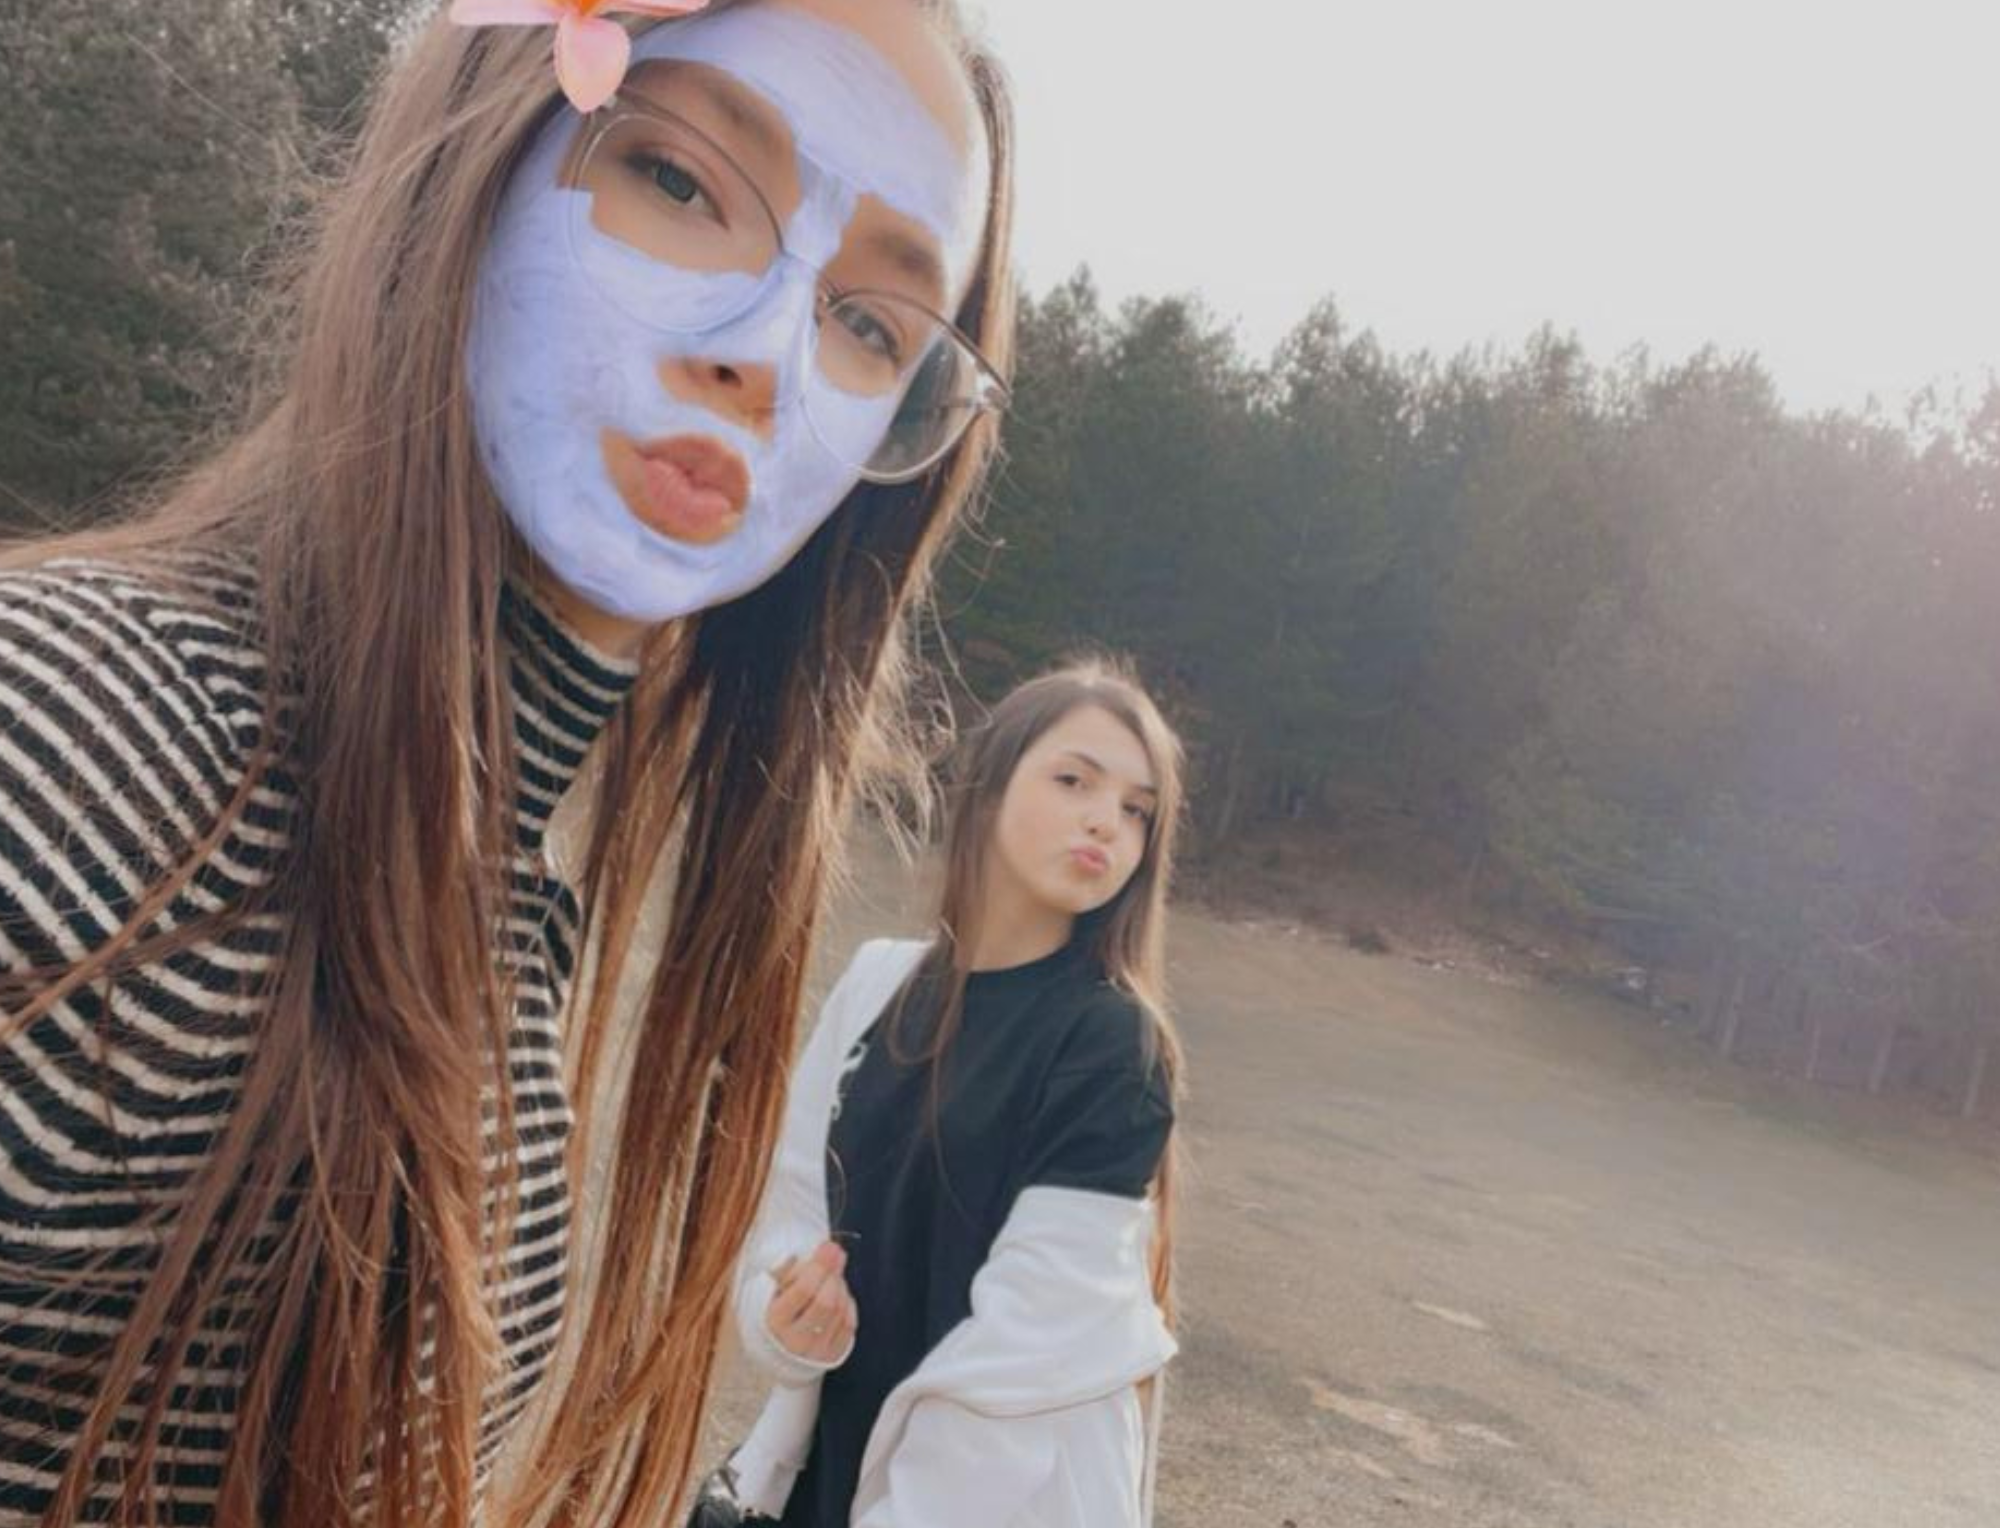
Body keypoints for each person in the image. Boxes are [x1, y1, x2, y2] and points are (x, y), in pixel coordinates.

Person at [0, 0, 1014, 1521]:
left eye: (871, 325)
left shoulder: (511, 898)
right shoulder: (70, 740)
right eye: (678, 179)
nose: (765, 358)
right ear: (477, 155)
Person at [721, 661, 1188, 1527]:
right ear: (988, 786)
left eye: (1137, 810)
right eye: (1075, 780)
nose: (1106, 821)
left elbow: (1020, 1366)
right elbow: (786, 1227)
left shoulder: (1112, 1045)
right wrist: (790, 1325)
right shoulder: (878, 984)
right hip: (823, 1471)